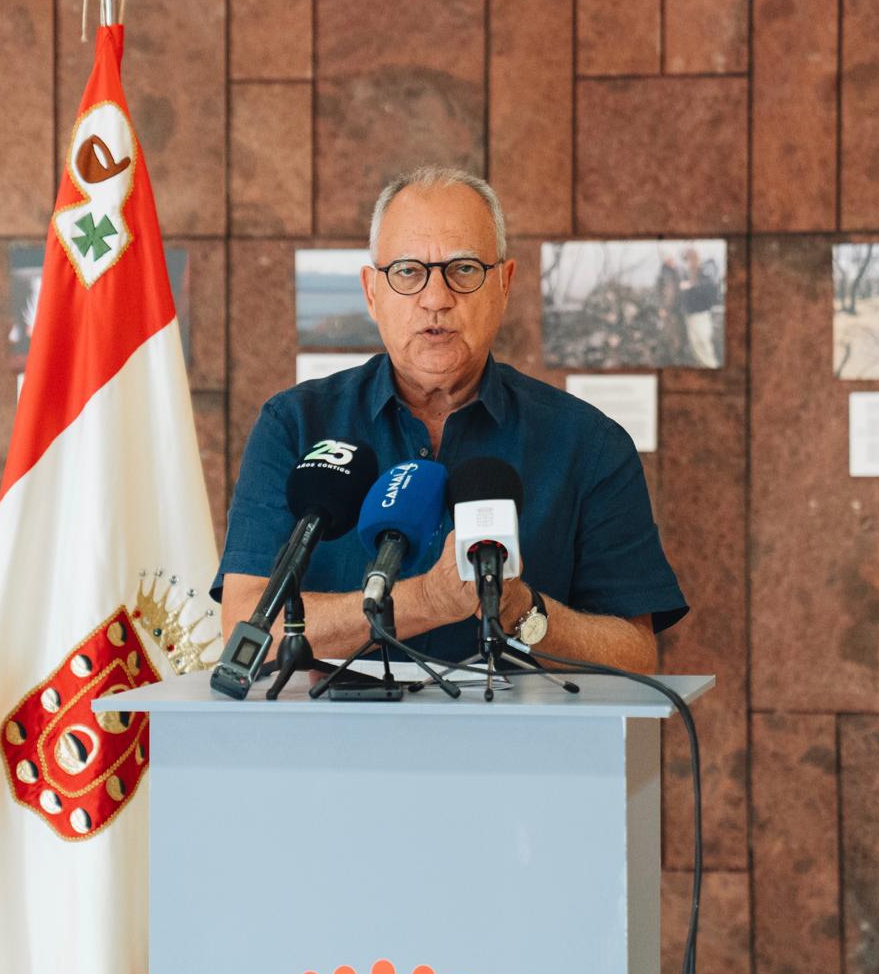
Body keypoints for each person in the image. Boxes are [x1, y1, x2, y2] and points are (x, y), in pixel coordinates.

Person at [215, 166, 687, 674]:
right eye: (408, 271)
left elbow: (637, 658)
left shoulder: (588, 444)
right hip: (333, 744)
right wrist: (426, 602)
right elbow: (244, 624)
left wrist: (522, 609)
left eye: (464, 269)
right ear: (372, 292)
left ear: (504, 285)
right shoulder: (296, 425)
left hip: (524, 749)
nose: (436, 298)